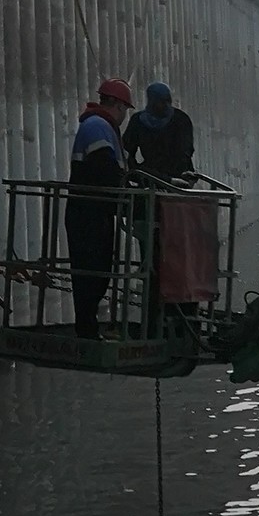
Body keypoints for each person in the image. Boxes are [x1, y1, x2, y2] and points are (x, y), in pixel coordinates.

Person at [65, 75, 134, 338]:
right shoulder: (96, 126)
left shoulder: (100, 126)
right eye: (125, 110)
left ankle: (89, 327)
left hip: (96, 211)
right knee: (90, 272)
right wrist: (126, 190)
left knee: (98, 270)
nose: (125, 115)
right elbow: (104, 168)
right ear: (117, 105)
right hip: (88, 212)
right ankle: (87, 330)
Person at [130, 80, 195, 181]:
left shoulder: (180, 119)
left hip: (170, 177)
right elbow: (128, 152)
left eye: (166, 101)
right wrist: (137, 172)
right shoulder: (181, 118)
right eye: (161, 101)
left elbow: (186, 153)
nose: (164, 105)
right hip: (155, 177)